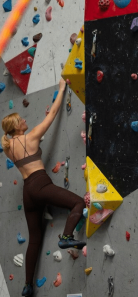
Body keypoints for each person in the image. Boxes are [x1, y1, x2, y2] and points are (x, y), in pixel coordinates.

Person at [2, 79, 86, 297]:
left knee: (35, 239)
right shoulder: (32, 137)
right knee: (77, 202)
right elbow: (54, 113)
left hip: (28, 192)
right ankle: (66, 236)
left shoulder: (8, 148)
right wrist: (60, 89)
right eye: (20, 120)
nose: (24, 121)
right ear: (16, 126)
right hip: (40, 184)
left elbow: (16, 143)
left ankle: (27, 285)